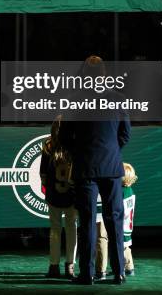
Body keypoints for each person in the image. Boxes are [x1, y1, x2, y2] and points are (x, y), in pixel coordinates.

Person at [60, 56, 131, 285]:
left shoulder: (75, 100)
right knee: (115, 221)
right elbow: (125, 135)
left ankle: (87, 274)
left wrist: (81, 152)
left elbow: (63, 138)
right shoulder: (118, 99)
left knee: (88, 222)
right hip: (111, 167)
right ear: (104, 74)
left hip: (85, 168)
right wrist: (109, 151)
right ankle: (119, 272)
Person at [40, 116, 78, 279]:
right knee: (72, 228)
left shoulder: (48, 144)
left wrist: (48, 187)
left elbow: (42, 173)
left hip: (54, 192)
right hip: (71, 192)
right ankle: (70, 266)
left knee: (55, 230)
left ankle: (53, 266)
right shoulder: (75, 143)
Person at [95, 162, 138, 279]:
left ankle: (100, 270)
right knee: (125, 247)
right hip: (127, 225)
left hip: (120, 223)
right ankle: (129, 267)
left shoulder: (120, 192)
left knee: (103, 239)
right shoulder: (130, 191)